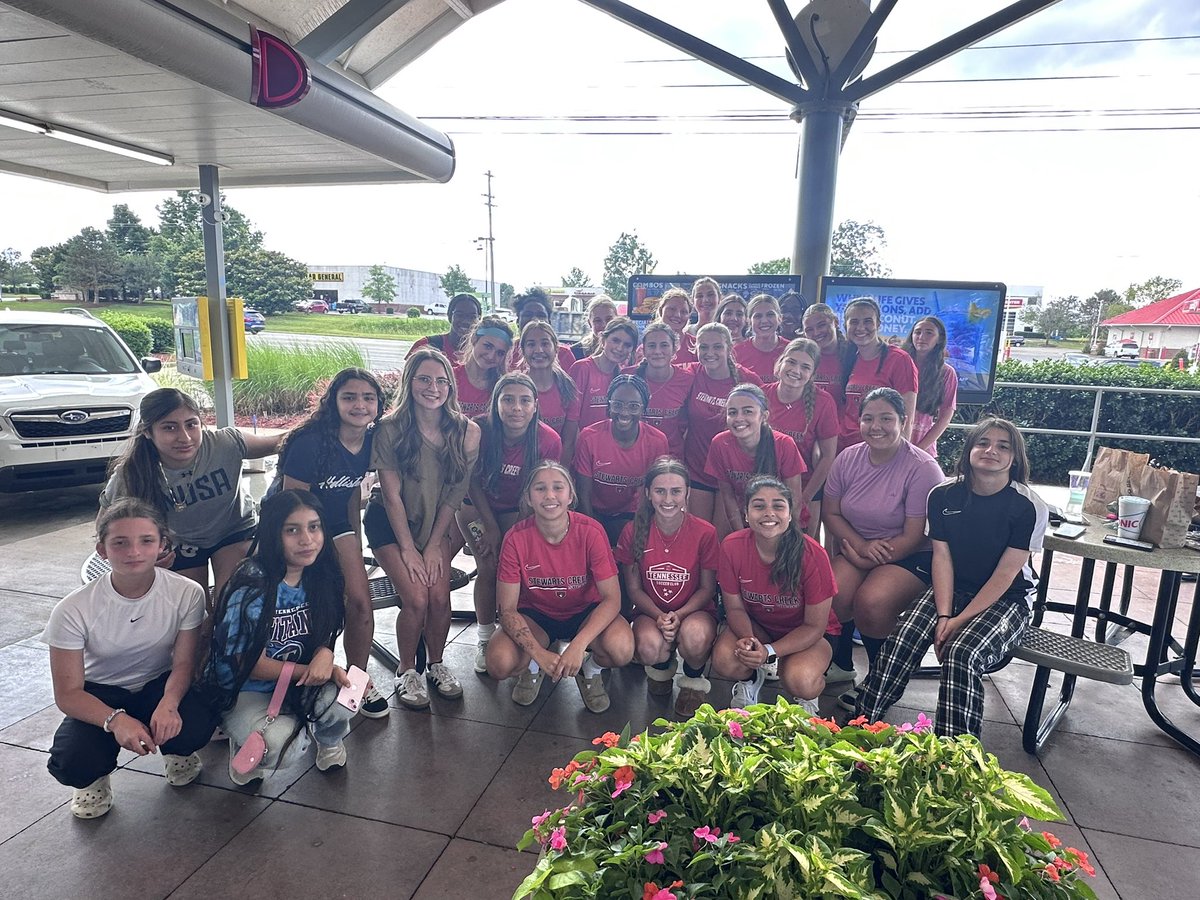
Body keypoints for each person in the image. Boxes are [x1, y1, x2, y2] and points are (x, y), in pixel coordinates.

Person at [856, 418, 1048, 738]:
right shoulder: (943, 495)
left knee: (962, 653)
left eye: (1003, 446)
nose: (991, 450)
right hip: (951, 588)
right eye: (983, 443)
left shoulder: (1028, 506)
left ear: (1015, 458)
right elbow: (942, 558)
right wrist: (945, 615)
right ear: (969, 449)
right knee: (905, 636)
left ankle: (954, 750)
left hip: (1007, 599)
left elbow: (1006, 574)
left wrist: (958, 622)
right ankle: (861, 724)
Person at [44, 499, 214, 818]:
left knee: (198, 721)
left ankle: (178, 751)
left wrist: (169, 704)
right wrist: (116, 720)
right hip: (101, 690)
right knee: (72, 760)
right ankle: (93, 779)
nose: (134, 551)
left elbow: (184, 664)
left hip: (158, 682)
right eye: (120, 542)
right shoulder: (72, 609)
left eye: (146, 540)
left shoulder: (187, 592)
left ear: (162, 545)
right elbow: (67, 694)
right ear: (102, 549)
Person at [204, 490, 355, 783]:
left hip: (297, 680)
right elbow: (250, 665)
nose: (307, 539)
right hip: (247, 687)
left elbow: (326, 628)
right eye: (292, 530)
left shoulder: (323, 573)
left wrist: (325, 653)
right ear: (273, 533)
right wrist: (319, 670)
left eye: (314, 527)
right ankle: (249, 738)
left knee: (344, 699)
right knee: (285, 746)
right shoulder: (251, 582)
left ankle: (329, 741)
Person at [363, 348, 481, 710]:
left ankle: (436, 664)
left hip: (435, 524)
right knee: (416, 598)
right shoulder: (389, 429)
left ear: (451, 387)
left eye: (441, 381)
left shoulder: (466, 431)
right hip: (390, 523)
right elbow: (392, 496)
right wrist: (409, 549)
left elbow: (454, 494)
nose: (433, 388)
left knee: (439, 596)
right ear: (409, 382)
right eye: (424, 379)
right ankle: (406, 670)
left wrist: (431, 545)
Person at [270, 368, 388, 718]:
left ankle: (358, 680)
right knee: (307, 603)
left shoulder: (371, 440)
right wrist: (315, 552)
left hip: (335, 523)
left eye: (368, 398)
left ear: (378, 404)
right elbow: (292, 507)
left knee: (360, 603)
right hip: (293, 527)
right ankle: (300, 676)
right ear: (333, 402)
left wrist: (354, 540)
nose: (359, 405)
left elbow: (349, 491)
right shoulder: (310, 443)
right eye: (349, 397)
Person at [822, 388, 945, 710]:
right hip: (859, 546)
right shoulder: (847, 458)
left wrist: (866, 557)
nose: (876, 426)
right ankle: (841, 664)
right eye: (868, 418)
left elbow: (915, 535)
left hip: (911, 553)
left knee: (872, 602)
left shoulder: (922, 467)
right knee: (832, 593)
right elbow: (831, 513)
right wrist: (860, 547)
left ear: (904, 421)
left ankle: (880, 682)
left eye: (886, 418)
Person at [101, 387, 280, 600]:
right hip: (177, 543)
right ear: (147, 432)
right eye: (169, 428)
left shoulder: (225, 443)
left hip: (233, 532)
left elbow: (281, 442)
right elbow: (105, 523)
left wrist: (316, 425)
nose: (184, 437)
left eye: (191, 424)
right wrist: (147, 551)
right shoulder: (131, 472)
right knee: (194, 606)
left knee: (230, 600)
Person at [485, 462, 635, 712]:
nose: (550, 495)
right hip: (537, 616)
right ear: (529, 498)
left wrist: (578, 646)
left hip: (585, 612)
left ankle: (590, 670)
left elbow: (612, 599)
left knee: (621, 649)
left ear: (570, 495)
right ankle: (533, 667)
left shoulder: (591, 531)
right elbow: (507, 609)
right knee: (499, 663)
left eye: (558, 487)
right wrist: (538, 654)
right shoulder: (515, 538)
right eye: (540, 488)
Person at [711, 477, 837, 712]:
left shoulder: (813, 554)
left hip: (807, 633)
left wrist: (770, 651)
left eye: (778, 506)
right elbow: (734, 608)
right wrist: (750, 642)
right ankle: (750, 680)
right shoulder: (731, 546)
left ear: (790, 514)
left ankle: (809, 697)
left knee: (801, 679)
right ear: (746, 514)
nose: (769, 512)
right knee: (725, 660)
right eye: (759, 506)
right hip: (759, 626)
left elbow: (815, 627)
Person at [464, 372, 562, 673]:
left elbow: (538, 490)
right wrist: (491, 527)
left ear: (535, 406)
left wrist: (513, 534)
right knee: (488, 566)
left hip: (520, 508)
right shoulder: (479, 430)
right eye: (508, 400)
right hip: (476, 506)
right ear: (495, 403)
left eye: (524, 401)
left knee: (518, 568)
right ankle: (484, 637)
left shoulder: (548, 440)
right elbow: (471, 482)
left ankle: (527, 631)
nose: (516, 408)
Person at [616, 458, 719, 717]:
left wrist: (679, 615)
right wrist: (660, 617)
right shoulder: (632, 530)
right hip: (651, 611)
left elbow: (707, 589)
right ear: (648, 493)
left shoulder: (705, 532)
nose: (668, 499)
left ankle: (693, 680)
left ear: (687, 493)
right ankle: (661, 669)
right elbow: (634, 589)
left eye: (676, 491)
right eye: (660, 491)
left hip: (694, 610)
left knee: (695, 637)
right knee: (648, 647)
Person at [573, 374, 670, 545]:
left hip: (632, 514)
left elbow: (655, 493)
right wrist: (593, 536)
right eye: (617, 405)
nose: (624, 412)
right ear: (608, 406)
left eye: (633, 406)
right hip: (594, 513)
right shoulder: (589, 437)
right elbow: (583, 495)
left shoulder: (657, 441)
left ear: (644, 409)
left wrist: (640, 531)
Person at [682, 323, 762, 529]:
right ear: (695, 349)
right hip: (698, 469)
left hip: (733, 473)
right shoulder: (691, 374)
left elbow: (762, 426)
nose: (710, 353)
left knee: (723, 538)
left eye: (717, 347)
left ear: (729, 348)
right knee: (698, 534)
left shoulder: (748, 380)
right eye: (703, 347)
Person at [705, 382, 806, 538]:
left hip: (786, 525)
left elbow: (794, 501)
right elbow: (728, 498)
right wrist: (742, 536)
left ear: (764, 416)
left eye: (747, 411)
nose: (739, 418)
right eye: (732, 412)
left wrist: (778, 539)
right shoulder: (720, 444)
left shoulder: (784, 444)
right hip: (746, 520)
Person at [765, 339, 839, 535]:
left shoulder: (823, 402)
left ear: (812, 374)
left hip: (805, 489)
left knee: (801, 549)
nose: (796, 370)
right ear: (780, 362)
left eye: (805, 367)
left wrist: (803, 499)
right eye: (791, 362)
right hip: (764, 490)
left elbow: (828, 457)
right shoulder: (762, 395)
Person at [838, 297, 918, 449]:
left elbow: (907, 420)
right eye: (854, 322)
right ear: (845, 326)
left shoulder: (899, 360)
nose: (860, 327)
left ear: (878, 324)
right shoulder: (848, 358)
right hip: (845, 449)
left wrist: (898, 455)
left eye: (868, 321)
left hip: (880, 449)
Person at [563, 316, 639, 461]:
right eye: (615, 340)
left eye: (627, 344)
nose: (620, 348)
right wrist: (569, 460)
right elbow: (572, 421)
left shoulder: (623, 376)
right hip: (582, 451)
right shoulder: (582, 368)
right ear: (603, 340)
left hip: (608, 452)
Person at [626, 321, 694, 459]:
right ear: (644, 350)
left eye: (664, 345)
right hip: (633, 456)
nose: (657, 351)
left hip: (670, 458)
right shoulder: (627, 377)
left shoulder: (687, 379)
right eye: (652, 345)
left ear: (674, 349)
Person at [903, 316, 958, 459]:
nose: (921, 337)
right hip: (892, 444)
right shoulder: (899, 365)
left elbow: (945, 417)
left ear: (939, 339)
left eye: (929, 333)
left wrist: (918, 450)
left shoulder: (946, 373)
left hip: (923, 448)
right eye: (917, 332)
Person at [517, 320, 577, 434]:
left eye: (545, 344)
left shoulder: (568, 386)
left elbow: (570, 432)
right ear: (523, 350)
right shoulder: (516, 387)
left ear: (556, 349)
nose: (538, 350)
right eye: (531, 344)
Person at [452, 316, 514, 418]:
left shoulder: (502, 386)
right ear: (474, 339)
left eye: (500, 353)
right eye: (488, 346)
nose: (491, 356)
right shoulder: (450, 377)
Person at [407, 293, 481, 366]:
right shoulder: (425, 345)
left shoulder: (483, 352)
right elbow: (407, 372)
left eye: (472, 317)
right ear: (450, 316)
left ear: (479, 319)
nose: (466, 321)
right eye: (459, 315)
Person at [511, 290, 576, 371]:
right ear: (517, 322)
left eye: (540, 315)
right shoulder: (508, 352)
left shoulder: (563, 354)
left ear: (549, 322)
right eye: (528, 315)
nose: (534, 319)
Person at [732, 294, 789, 383]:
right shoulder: (736, 353)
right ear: (749, 321)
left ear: (780, 318)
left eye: (770, 315)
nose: (764, 321)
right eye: (758, 316)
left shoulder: (791, 350)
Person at [800, 302, 846, 396]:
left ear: (836, 322)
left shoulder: (853, 355)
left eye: (821, 325)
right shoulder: (802, 359)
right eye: (809, 330)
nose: (816, 333)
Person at [650, 288, 698, 364]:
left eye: (683, 312)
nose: (677, 315)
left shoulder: (696, 345)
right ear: (661, 311)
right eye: (672, 309)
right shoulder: (647, 345)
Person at [572, 295, 620, 361]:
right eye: (598, 320)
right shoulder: (576, 351)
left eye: (609, 319)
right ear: (589, 323)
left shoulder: (626, 349)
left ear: (617, 319)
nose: (604, 325)